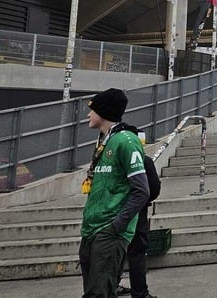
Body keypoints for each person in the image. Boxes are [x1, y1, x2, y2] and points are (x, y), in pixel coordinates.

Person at [79, 89, 150, 298]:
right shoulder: (105, 140)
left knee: (97, 293)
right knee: (96, 291)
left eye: (91, 110)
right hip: (92, 228)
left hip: (109, 230)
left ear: (103, 112)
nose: (88, 115)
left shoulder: (126, 141)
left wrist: (117, 226)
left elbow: (142, 190)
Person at [115, 126, 161, 298]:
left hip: (114, 212)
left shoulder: (112, 161)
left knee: (115, 252)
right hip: (138, 213)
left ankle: (111, 286)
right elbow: (154, 188)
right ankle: (140, 293)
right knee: (137, 252)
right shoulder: (143, 160)